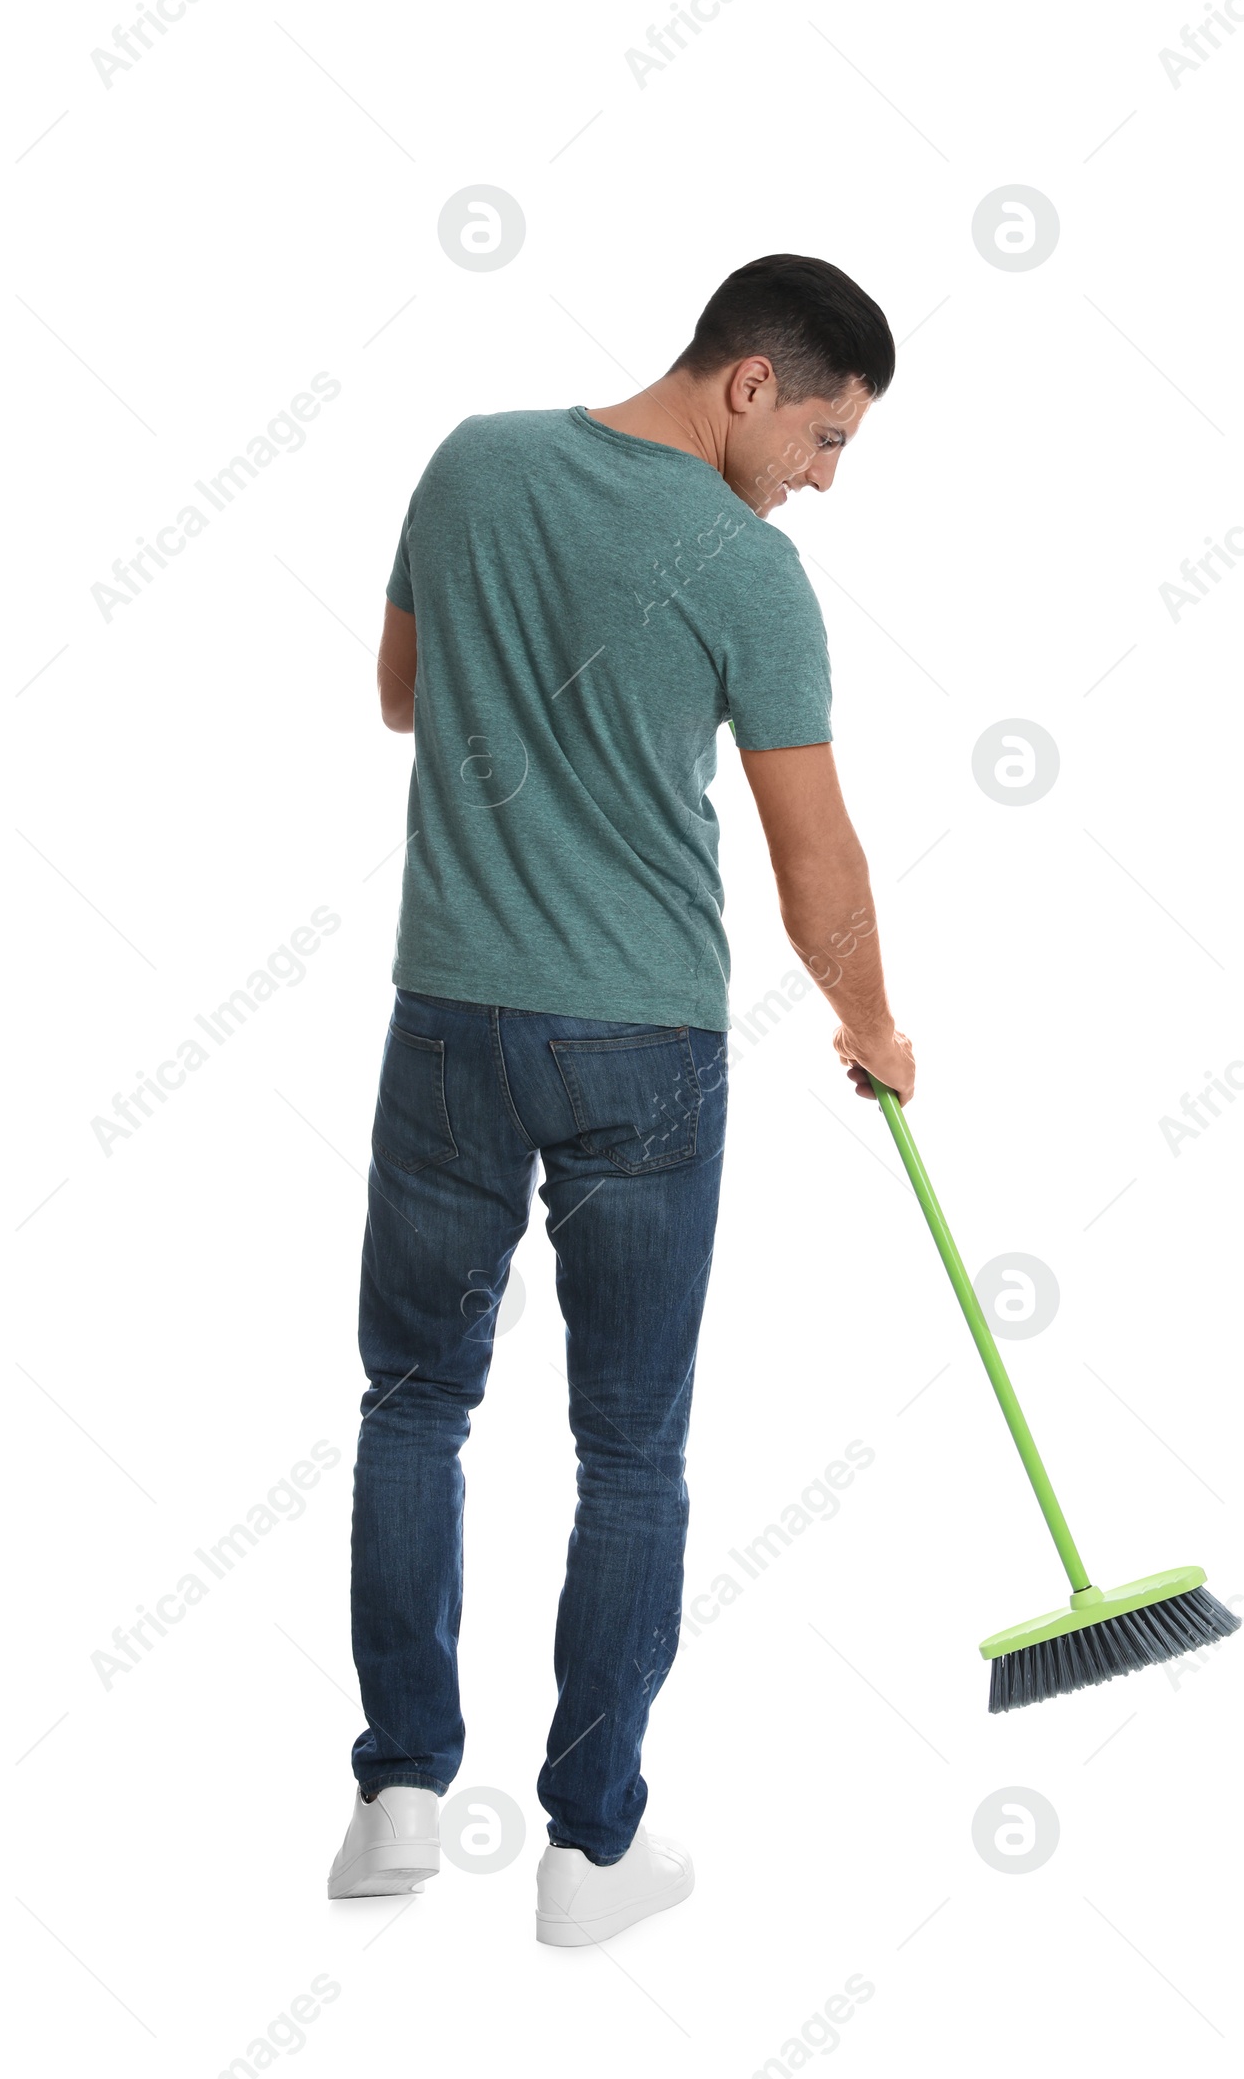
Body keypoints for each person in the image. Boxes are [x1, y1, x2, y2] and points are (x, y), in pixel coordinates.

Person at [327, 254, 915, 1942]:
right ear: (751, 381)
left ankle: (398, 1794)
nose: (821, 478)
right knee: (632, 1448)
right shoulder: (750, 570)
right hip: (640, 1047)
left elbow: (400, 697)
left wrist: (530, 699)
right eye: (825, 434)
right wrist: (873, 1023)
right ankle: (589, 1853)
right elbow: (819, 862)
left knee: (415, 1402)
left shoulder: (470, 459)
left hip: (449, 1018)